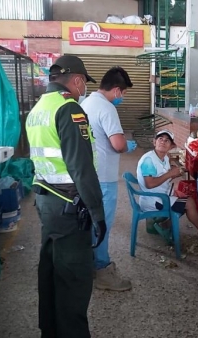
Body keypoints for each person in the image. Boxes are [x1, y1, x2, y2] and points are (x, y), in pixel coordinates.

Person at [26, 55, 106, 338]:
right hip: (69, 207)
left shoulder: (38, 108)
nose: (83, 89)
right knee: (74, 280)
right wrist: (98, 213)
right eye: (83, 83)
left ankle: (50, 331)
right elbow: (81, 167)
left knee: (51, 272)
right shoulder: (69, 109)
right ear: (77, 80)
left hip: (47, 203)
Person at [81, 66, 136, 292]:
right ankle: (103, 271)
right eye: (122, 93)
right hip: (104, 177)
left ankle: (89, 267)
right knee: (102, 225)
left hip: (85, 174)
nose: (122, 98)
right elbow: (118, 144)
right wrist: (127, 145)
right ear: (116, 90)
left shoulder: (84, 104)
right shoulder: (106, 108)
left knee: (89, 224)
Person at [136, 130, 198, 253]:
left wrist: (173, 175)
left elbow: (163, 175)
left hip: (161, 196)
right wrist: (170, 174)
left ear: (171, 146)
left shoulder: (164, 158)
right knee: (189, 203)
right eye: (160, 139)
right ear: (154, 142)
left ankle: (165, 226)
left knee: (184, 199)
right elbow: (150, 184)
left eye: (167, 140)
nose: (163, 142)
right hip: (153, 200)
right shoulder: (149, 160)